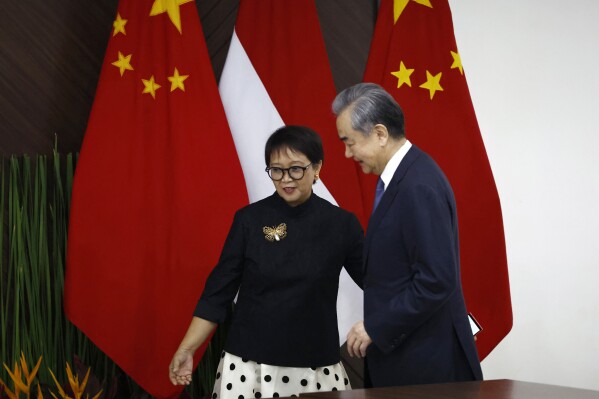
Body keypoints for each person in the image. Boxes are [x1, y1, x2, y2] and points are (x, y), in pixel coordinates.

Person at [168, 125, 364, 399]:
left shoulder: (342, 224)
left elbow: (380, 283)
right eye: (276, 170)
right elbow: (217, 294)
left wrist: (376, 323)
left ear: (317, 167)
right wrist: (187, 349)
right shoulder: (249, 220)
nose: (286, 179)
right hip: (248, 370)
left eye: (296, 169)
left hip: (316, 369)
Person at [332, 83, 483, 387]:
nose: (347, 153)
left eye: (350, 142)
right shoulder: (404, 178)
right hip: (409, 360)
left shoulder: (418, 185)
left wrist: (376, 327)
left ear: (379, 134)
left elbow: (437, 279)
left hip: (426, 367)